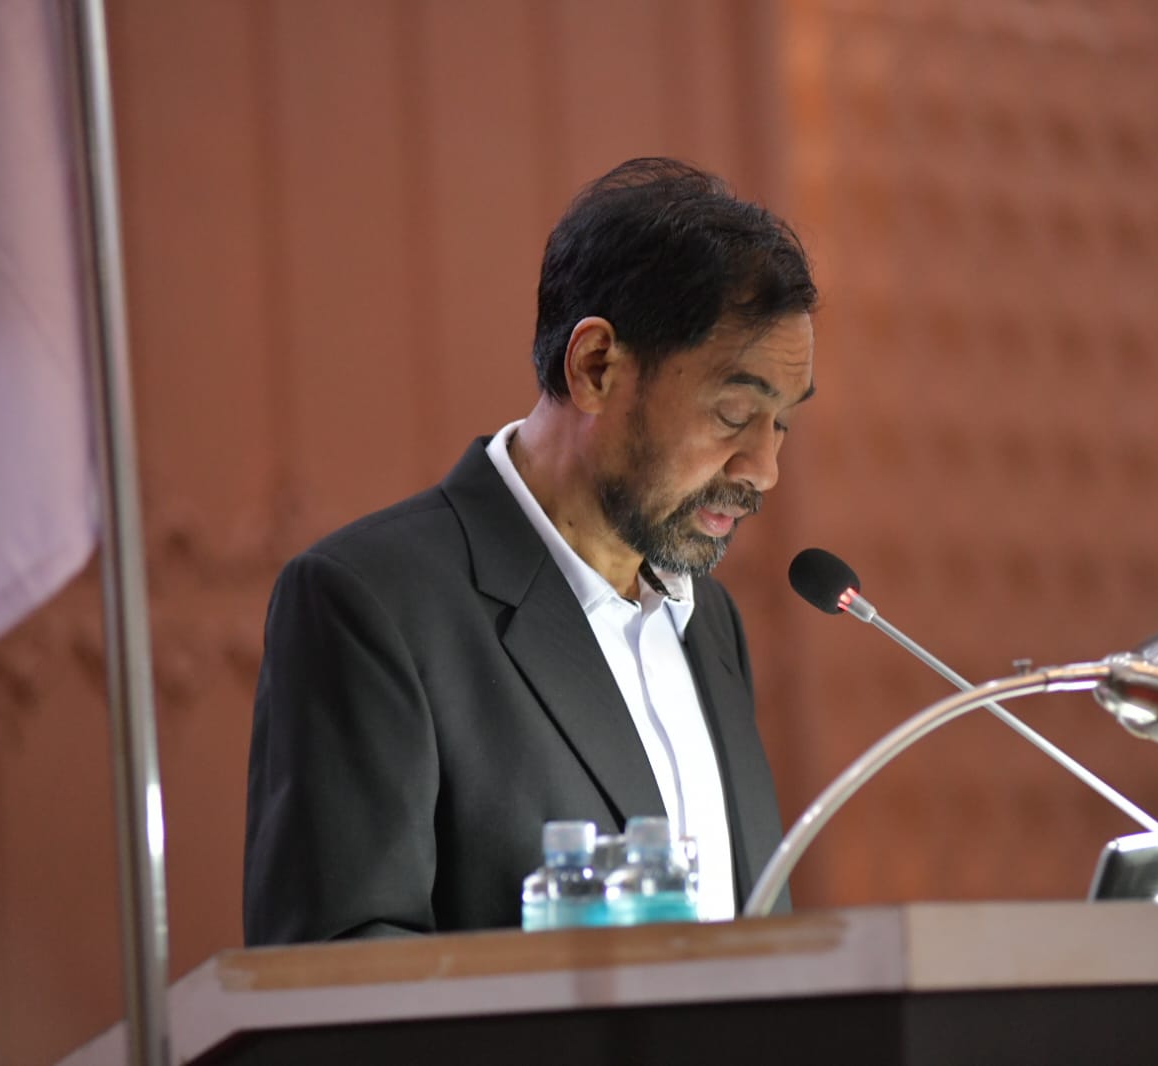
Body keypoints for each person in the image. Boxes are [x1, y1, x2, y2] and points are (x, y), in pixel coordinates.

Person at [243, 157, 818, 944]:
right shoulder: (373, 604)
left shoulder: (709, 622)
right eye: (732, 415)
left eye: (781, 424)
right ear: (595, 367)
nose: (764, 469)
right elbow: (338, 975)